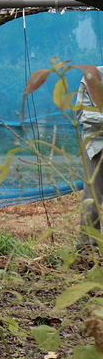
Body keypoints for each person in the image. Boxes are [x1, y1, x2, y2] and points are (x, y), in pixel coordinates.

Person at [76, 69, 103, 249]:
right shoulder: (92, 77)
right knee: (92, 201)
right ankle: (87, 248)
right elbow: (83, 114)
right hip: (96, 145)